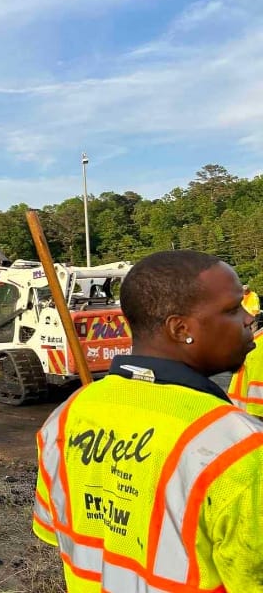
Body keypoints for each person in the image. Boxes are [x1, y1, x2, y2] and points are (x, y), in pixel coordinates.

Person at [33, 250, 262, 592]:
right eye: (232, 309)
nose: (249, 318)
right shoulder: (238, 447)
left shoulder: (68, 416)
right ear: (180, 329)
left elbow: (58, 531)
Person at [228, 327, 263, 417]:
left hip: (240, 414)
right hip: (250, 416)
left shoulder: (256, 340)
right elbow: (257, 405)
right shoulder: (259, 346)